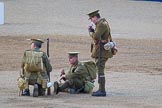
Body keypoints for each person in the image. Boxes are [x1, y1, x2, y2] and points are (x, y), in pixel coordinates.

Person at [87, 10, 113, 96]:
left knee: (100, 70)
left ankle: (102, 90)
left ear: (95, 17)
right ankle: (101, 89)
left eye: (92, 18)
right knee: (100, 69)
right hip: (101, 50)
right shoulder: (102, 23)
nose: (91, 21)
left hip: (102, 51)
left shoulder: (101, 24)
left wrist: (90, 31)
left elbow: (96, 36)